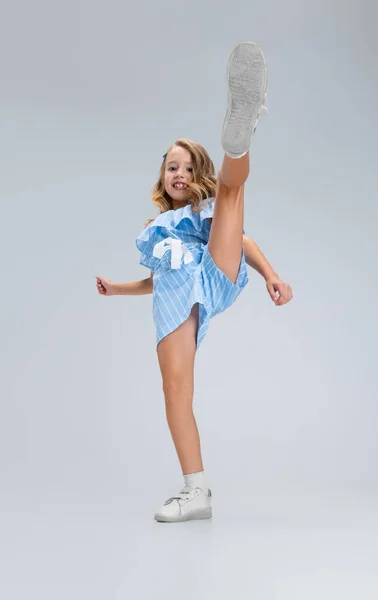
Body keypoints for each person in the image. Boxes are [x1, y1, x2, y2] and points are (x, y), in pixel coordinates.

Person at [95, 41, 293, 523]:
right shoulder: (156, 229)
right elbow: (158, 280)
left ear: (195, 174)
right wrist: (119, 289)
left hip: (215, 270)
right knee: (175, 390)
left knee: (230, 195)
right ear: (162, 177)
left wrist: (272, 275)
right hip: (176, 300)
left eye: (187, 166)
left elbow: (241, 239)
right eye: (172, 166)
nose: (180, 172)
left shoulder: (197, 211)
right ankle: (196, 491)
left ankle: (238, 141)